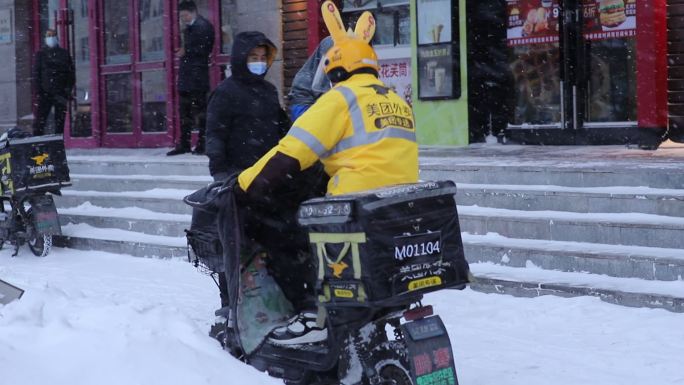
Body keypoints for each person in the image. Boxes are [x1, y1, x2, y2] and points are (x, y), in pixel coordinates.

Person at [236, 35, 419, 345]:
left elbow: (291, 152)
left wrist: (245, 184)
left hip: (351, 211)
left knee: (289, 238)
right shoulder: (395, 99)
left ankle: (313, 314)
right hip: (395, 209)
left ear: (335, 73)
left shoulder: (339, 99)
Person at [167, 0, 215, 156]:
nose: (184, 18)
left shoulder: (203, 26)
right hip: (188, 77)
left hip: (197, 77)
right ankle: (185, 144)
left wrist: (185, 51)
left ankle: (202, 143)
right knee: (185, 112)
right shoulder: (191, 27)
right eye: (181, 16)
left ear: (193, 12)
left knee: (201, 112)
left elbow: (203, 49)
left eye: (185, 15)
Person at [31, 29, 75, 137]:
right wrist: (39, 91)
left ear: (57, 37)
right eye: (49, 35)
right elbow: (36, 75)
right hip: (45, 93)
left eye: (53, 35)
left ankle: (58, 144)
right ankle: (37, 144)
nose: (51, 37)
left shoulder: (64, 54)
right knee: (39, 122)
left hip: (61, 93)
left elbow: (71, 74)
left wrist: (67, 90)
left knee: (59, 123)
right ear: (46, 38)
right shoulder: (40, 54)